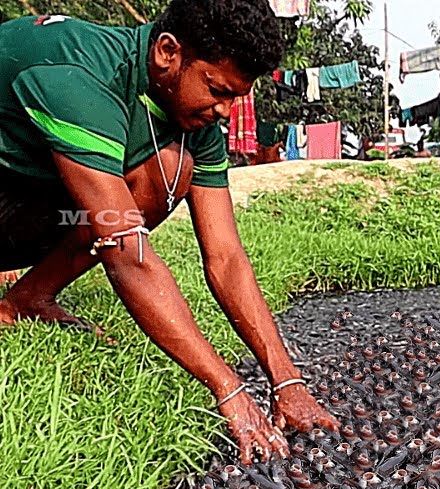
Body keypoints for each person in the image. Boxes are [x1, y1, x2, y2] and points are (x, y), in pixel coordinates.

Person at [0, 0, 339, 464]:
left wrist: (287, 381)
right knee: (119, 219)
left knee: (166, 173)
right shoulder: (81, 81)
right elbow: (128, 254)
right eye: (217, 89)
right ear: (167, 52)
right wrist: (229, 389)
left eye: (234, 97)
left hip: (22, 191)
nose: (224, 111)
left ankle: (26, 300)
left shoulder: (188, 113)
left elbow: (225, 255)